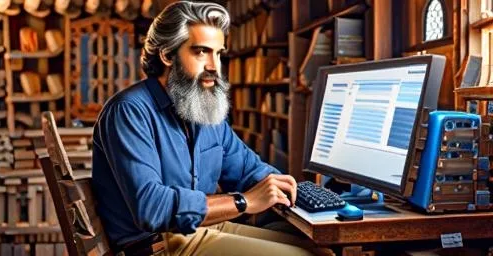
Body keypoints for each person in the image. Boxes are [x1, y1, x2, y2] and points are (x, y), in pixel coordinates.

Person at [92, 2, 328, 255]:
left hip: (199, 231)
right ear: (167, 55)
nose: (214, 66)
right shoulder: (129, 111)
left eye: (218, 53)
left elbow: (248, 169)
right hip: (155, 246)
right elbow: (152, 208)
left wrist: (289, 188)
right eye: (201, 52)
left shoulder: (202, 110)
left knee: (319, 248)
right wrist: (244, 202)